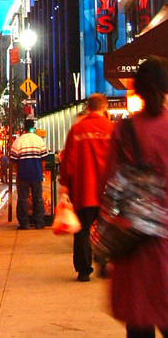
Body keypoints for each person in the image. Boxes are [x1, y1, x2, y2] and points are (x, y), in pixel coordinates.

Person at [103, 56, 168, 338]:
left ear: (137, 89)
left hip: (135, 243)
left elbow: (107, 185)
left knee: (139, 323)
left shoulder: (125, 130)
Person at [59, 92, 114, 282]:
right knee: (106, 228)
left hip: (84, 189)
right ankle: (104, 262)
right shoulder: (112, 129)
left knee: (82, 230)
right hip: (109, 190)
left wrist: (65, 185)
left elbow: (69, 161)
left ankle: (84, 270)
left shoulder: (77, 130)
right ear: (104, 107)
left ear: (88, 108)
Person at [10, 119, 47, 229]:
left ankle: (24, 223)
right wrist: (42, 171)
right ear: (33, 127)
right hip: (36, 173)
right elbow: (43, 159)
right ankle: (39, 222)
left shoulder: (18, 141)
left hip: (23, 175)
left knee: (22, 199)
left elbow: (14, 161)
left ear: (23, 128)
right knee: (38, 199)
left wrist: (18, 172)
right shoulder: (39, 140)